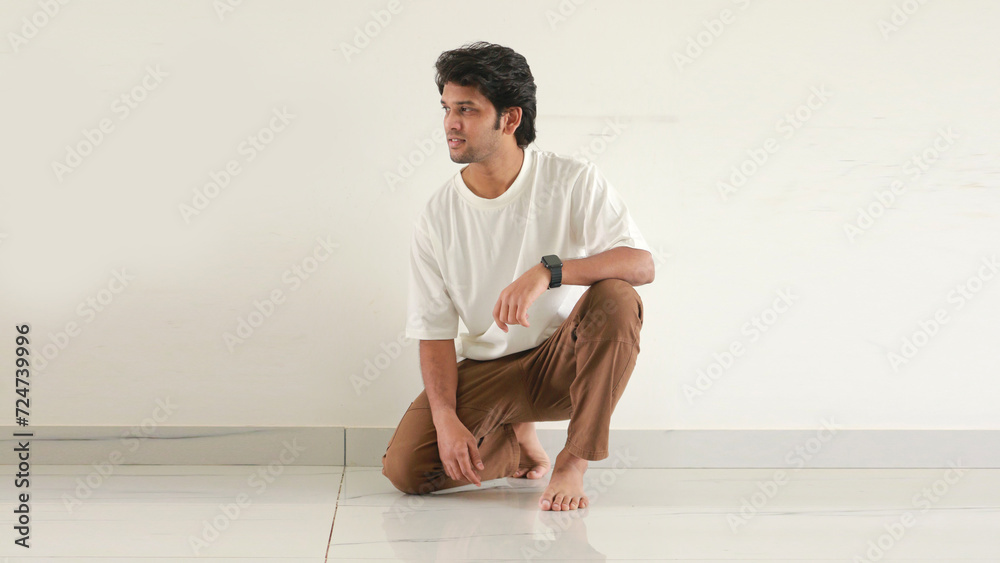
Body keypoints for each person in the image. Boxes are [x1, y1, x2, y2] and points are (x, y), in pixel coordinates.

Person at [381, 41, 654, 512]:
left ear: (509, 119)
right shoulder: (437, 215)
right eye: (447, 108)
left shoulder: (572, 180)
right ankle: (513, 444)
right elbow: (434, 332)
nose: (450, 123)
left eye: (466, 109)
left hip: (564, 365)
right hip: (490, 370)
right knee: (407, 470)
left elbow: (640, 264)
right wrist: (445, 418)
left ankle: (573, 460)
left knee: (617, 296)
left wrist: (550, 272)